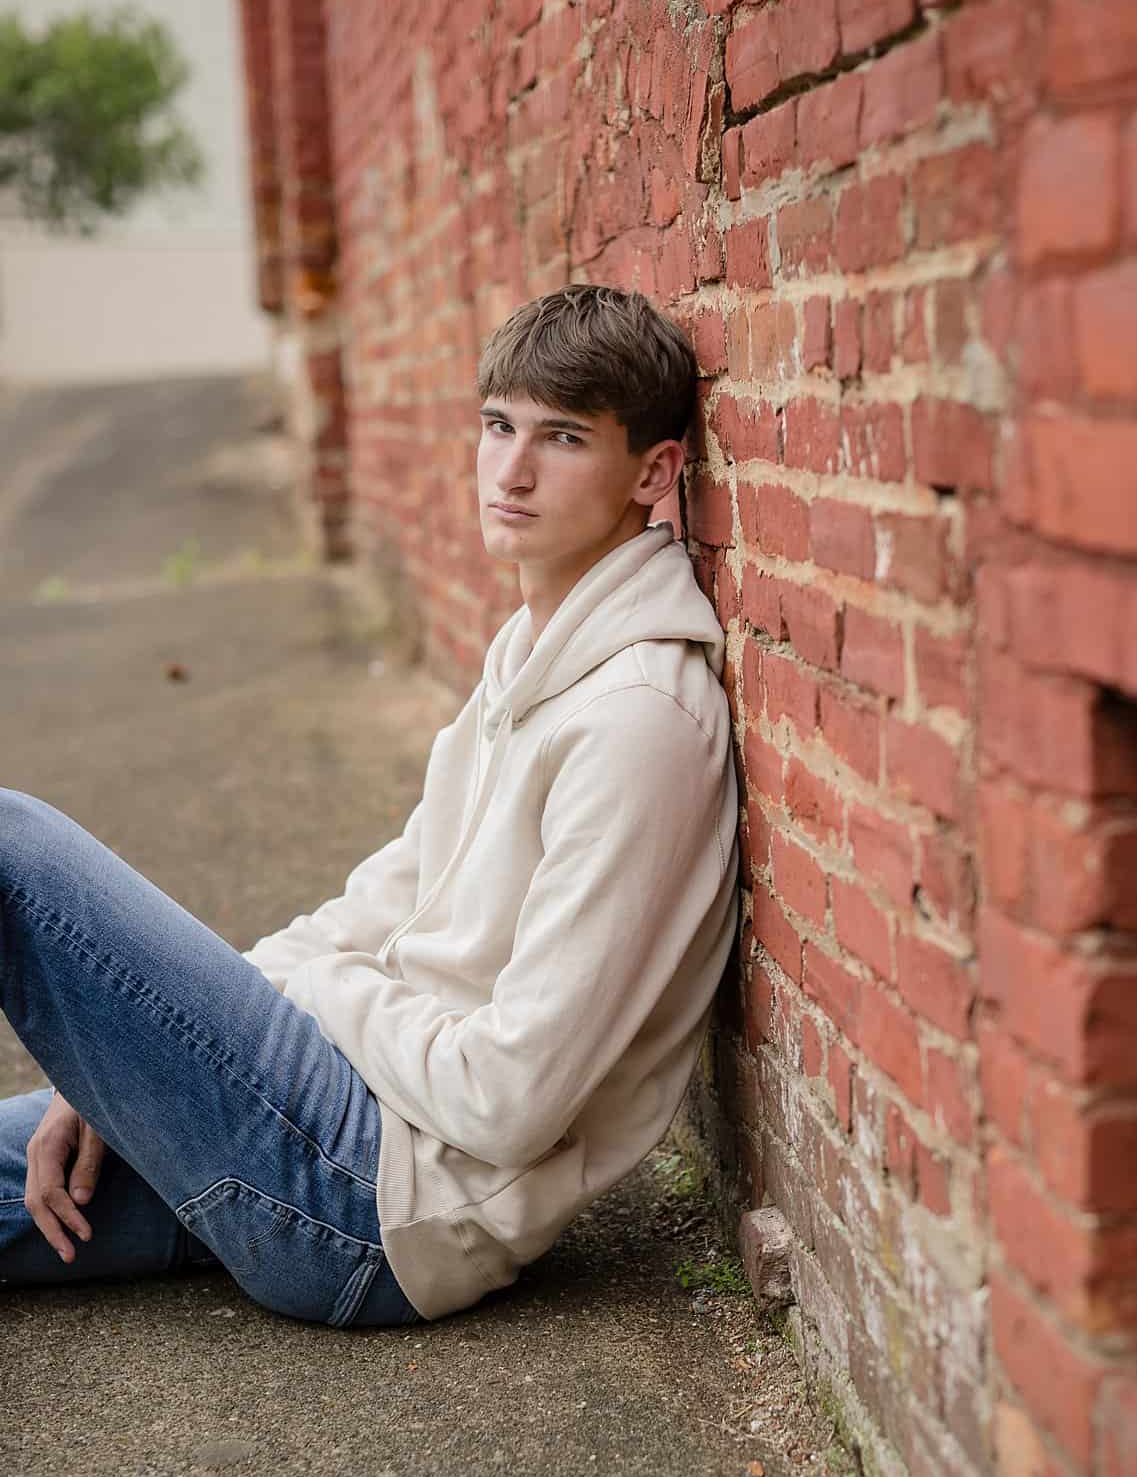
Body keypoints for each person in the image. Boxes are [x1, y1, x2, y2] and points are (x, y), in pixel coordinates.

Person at [0, 285, 739, 1326]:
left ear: (654, 471)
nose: (511, 471)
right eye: (497, 427)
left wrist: (320, 993)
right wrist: (113, 1058)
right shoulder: (532, 657)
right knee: (26, 1155)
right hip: (330, 1122)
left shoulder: (639, 725)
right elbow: (381, 895)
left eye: (563, 438)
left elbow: (510, 1098)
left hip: (379, 1202)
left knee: (10, 844)